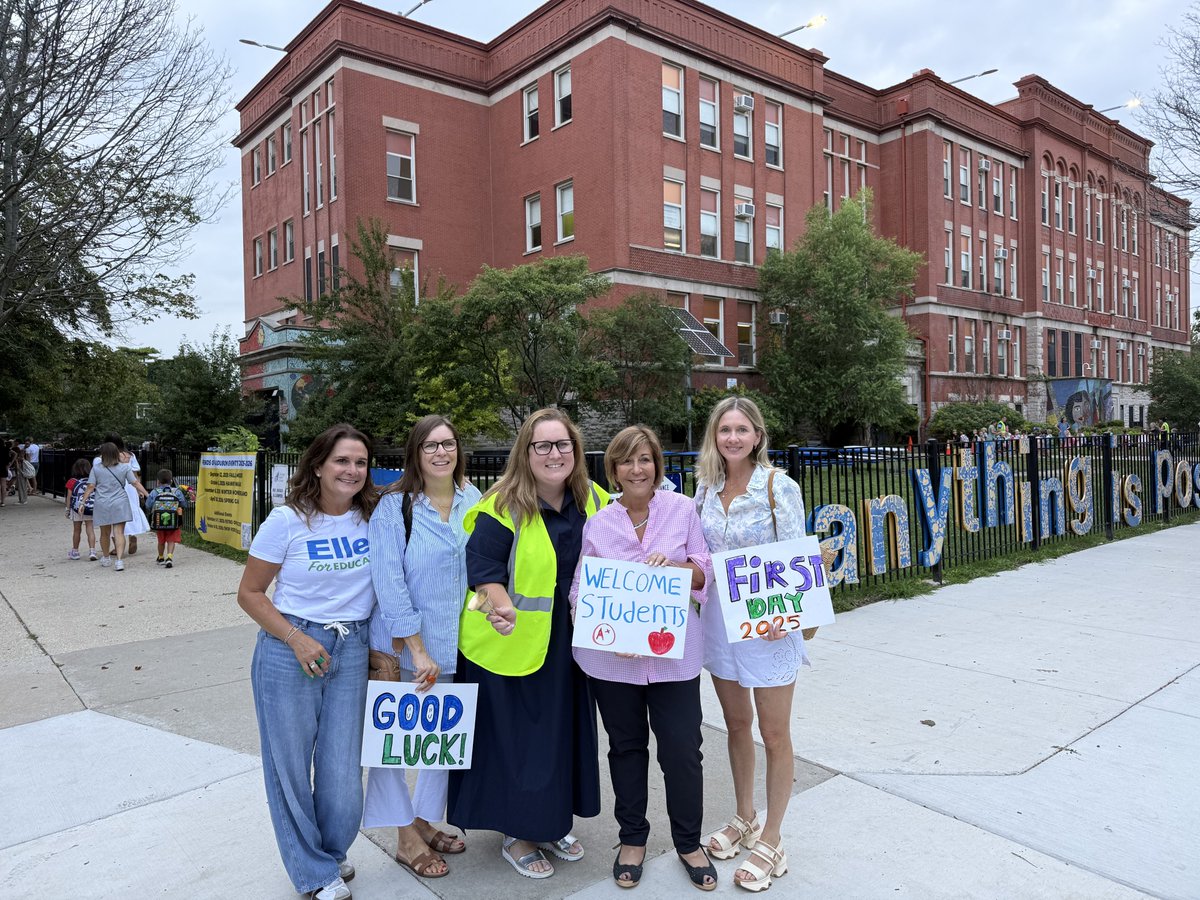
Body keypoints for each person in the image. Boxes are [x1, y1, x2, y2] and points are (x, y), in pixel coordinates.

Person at [448, 408, 607, 880]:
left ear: (575, 452)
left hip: (570, 644)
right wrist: (496, 604)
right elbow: (483, 570)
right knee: (519, 744)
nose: (554, 454)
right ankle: (518, 833)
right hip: (509, 643)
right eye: (543, 445)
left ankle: (551, 822)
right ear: (526, 452)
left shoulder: (594, 500)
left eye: (563, 445)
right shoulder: (502, 504)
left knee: (560, 737)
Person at [568, 426, 716, 890]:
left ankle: (688, 842)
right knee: (626, 749)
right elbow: (579, 590)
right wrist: (607, 632)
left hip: (673, 658)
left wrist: (677, 568)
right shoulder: (599, 524)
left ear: (658, 466)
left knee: (682, 751)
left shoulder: (683, 509)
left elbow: (704, 570)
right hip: (614, 663)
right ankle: (632, 838)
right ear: (613, 470)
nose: (637, 469)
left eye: (646, 459)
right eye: (627, 461)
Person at [236, 423, 377, 900]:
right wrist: (297, 639)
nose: (352, 470)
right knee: (290, 767)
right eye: (341, 460)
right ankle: (312, 872)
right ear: (318, 465)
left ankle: (331, 854)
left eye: (360, 462)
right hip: (290, 648)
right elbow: (250, 594)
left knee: (341, 767)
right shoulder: (287, 520)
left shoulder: (372, 516)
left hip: (352, 647)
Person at [694, 396, 809, 893]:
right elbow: (696, 553)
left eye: (742, 429)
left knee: (775, 732)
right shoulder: (705, 488)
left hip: (768, 621)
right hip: (719, 619)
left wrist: (789, 614)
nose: (733, 438)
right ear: (714, 436)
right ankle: (744, 816)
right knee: (736, 723)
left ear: (758, 436)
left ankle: (773, 837)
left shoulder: (777, 487)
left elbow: (799, 556)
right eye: (725, 430)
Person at [363, 415, 481, 879]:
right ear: (415, 453)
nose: (440, 453)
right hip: (403, 647)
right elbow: (389, 583)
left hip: (456, 645)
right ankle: (405, 838)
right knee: (394, 745)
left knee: (437, 745)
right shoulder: (395, 509)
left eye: (448, 444)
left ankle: (424, 819)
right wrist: (417, 649)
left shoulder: (474, 499)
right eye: (430, 446)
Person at [78, 442, 149, 571]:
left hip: (102, 502)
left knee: (105, 533)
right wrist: (147, 494)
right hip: (120, 502)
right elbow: (135, 483)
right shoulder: (124, 467)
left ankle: (105, 557)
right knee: (119, 532)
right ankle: (120, 560)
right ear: (117, 453)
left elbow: (90, 486)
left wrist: (83, 502)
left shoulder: (96, 468)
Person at [93, 434, 150, 556]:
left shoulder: (103, 458)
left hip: (113, 487)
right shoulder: (130, 455)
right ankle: (132, 535)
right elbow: (135, 475)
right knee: (130, 510)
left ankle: (116, 547)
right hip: (130, 486)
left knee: (113, 515)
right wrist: (140, 491)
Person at [145, 469, 188, 568]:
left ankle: (160, 557)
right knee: (171, 540)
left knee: (161, 540)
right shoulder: (176, 491)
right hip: (173, 520)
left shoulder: (155, 492)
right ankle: (169, 557)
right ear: (171, 480)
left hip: (158, 521)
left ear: (158, 481)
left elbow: (148, 505)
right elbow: (183, 504)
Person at [66, 458, 97, 560]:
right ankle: (92, 551)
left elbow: (69, 497)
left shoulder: (72, 481)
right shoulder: (92, 480)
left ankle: (75, 551)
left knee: (77, 530)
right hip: (89, 506)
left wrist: (67, 509)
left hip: (76, 507)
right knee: (90, 529)